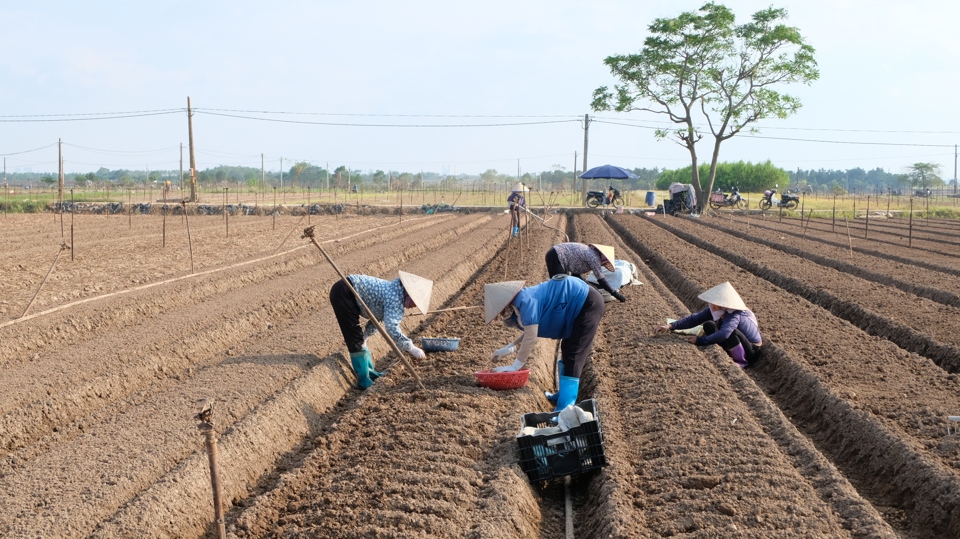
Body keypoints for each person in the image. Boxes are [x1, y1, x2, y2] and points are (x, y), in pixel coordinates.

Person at [485, 275, 605, 411]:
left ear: (506, 304)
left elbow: (531, 337)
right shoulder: (520, 302)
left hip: (587, 304)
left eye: (500, 313)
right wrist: (510, 348)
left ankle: (565, 408)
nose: (500, 318)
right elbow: (532, 329)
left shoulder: (525, 301)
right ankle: (562, 395)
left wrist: (516, 366)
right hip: (575, 306)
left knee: (574, 354)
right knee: (566, 348)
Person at [329, 271, 433, 389]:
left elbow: (376, 318)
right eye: (415, 302)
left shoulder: (394, 292)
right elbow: (391, 327)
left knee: (361, 340)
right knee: (354, 336)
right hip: (345, 292)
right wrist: (410, 347)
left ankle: (370, 372)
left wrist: (366, 335)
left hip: (345, 288)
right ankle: (364, 379)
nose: (414, 306)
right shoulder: (394, 297)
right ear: (409, 294)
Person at [654, 282, 762, 368]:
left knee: (729, 331)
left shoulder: (734, 314)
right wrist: (671, 326)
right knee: (709, 325)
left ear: (724, 304)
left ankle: (741, 362)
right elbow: (695, 319)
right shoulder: (715, 309)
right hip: (737, 342)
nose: (712, 306)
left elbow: (724, 334)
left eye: (715, 303)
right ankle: (727, 351)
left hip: (751, 350)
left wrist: (701, 341)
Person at [545, 242, 626, 302]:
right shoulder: (594, 258)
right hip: (556, 256)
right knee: (559, 288)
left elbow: (576, 275)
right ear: (604, 258)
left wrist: (589, 286)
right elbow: (601, 279)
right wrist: (615, 294)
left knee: (563, 286)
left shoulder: (590, 253)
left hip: (555, 254)